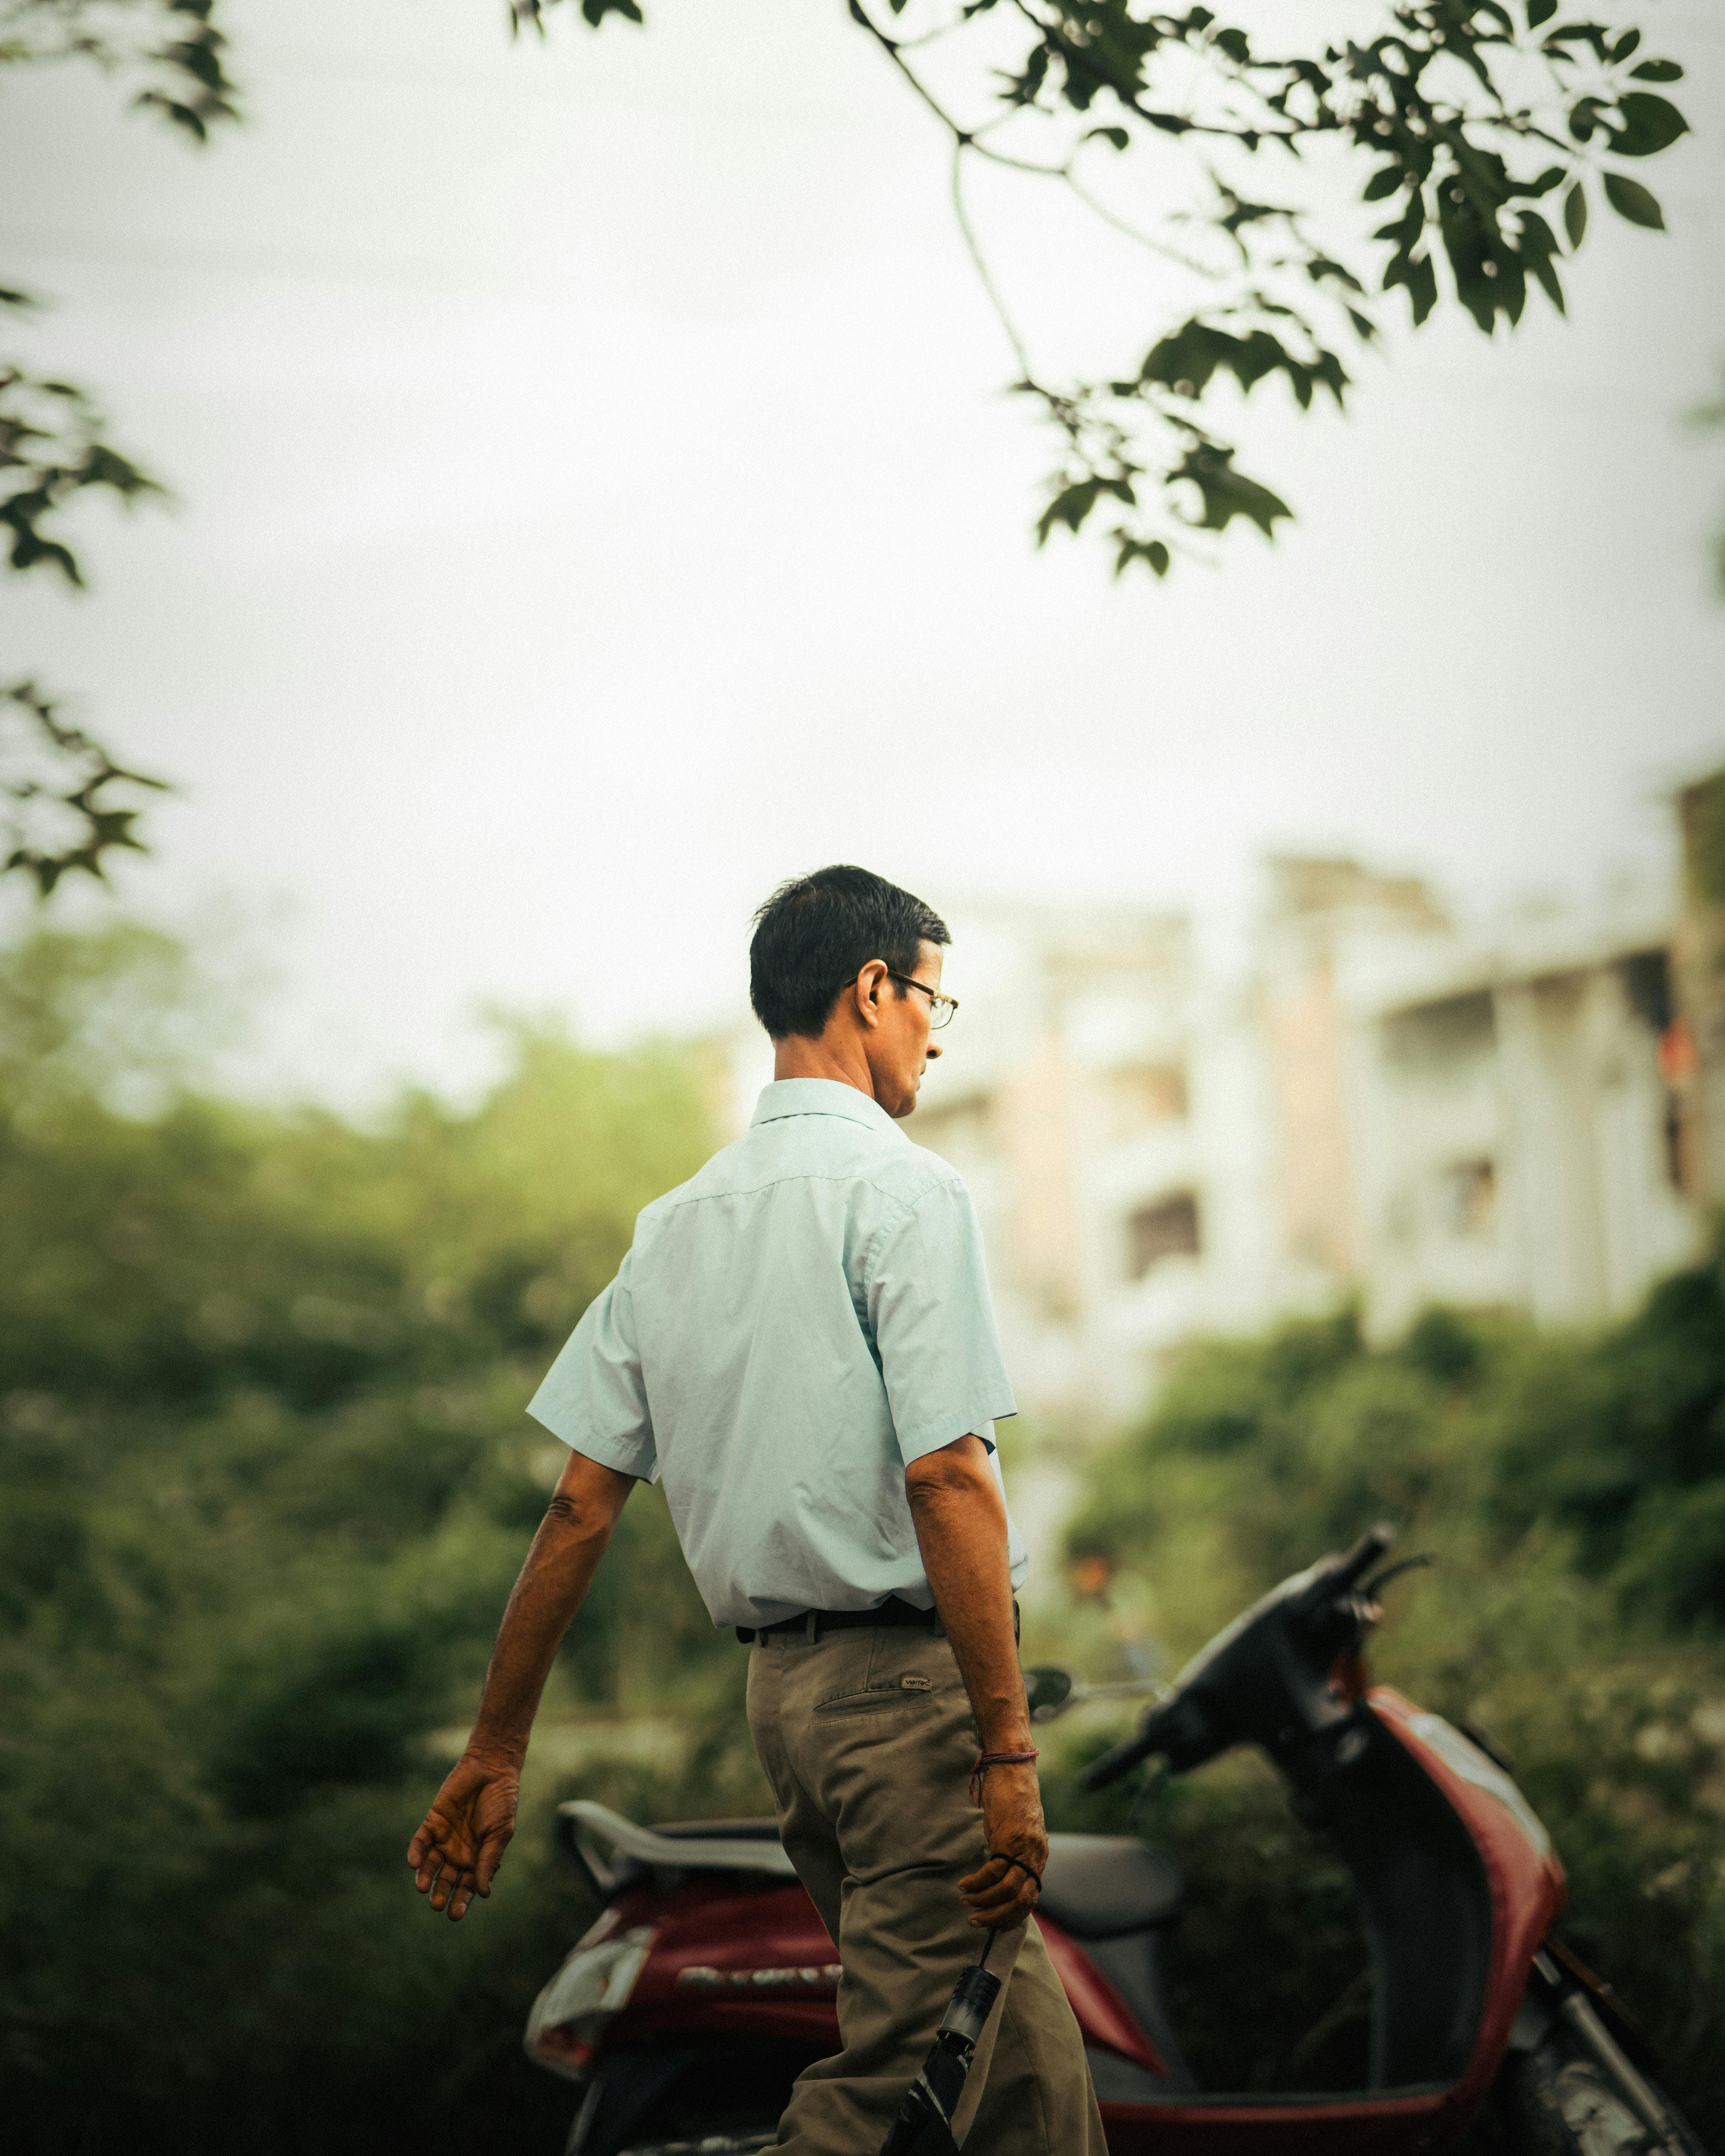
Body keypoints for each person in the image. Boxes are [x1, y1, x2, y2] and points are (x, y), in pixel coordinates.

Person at [407, 864, 1104, 2154]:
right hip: (908, 1711)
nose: (936, 1039)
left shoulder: (673, 1228)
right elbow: (948, 1474)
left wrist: (497, 1749)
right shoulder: (907, 1190)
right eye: (933, 1003)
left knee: (1023, 2088)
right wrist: (1007, 1752)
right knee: (894, 2080)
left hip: (787, 1709)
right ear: (872, 987)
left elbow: (576, 1507)